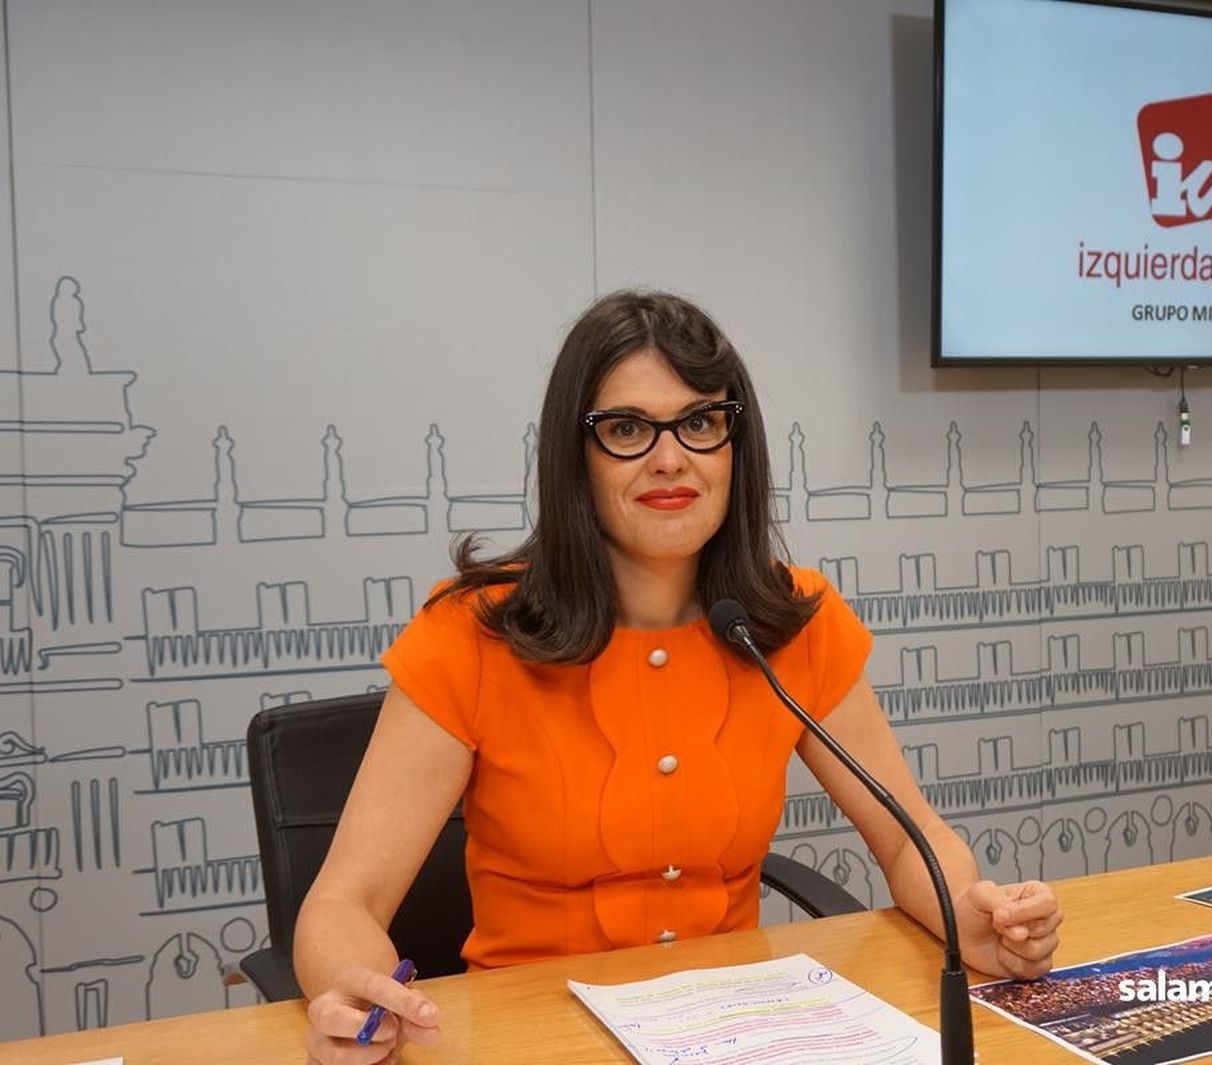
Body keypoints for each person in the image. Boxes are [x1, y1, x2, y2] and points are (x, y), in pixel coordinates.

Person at [293, 291, 1064, 1064]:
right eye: (627, 428)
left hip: (741, 1033)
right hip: (534, 1037)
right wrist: (354, 991)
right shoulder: (473, 633)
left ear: (735, 443)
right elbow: (341, 902)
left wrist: (970, 912)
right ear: (577, 457)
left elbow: (911, 841)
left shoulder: (789, 620)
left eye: (700, 422)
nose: (671, 459)